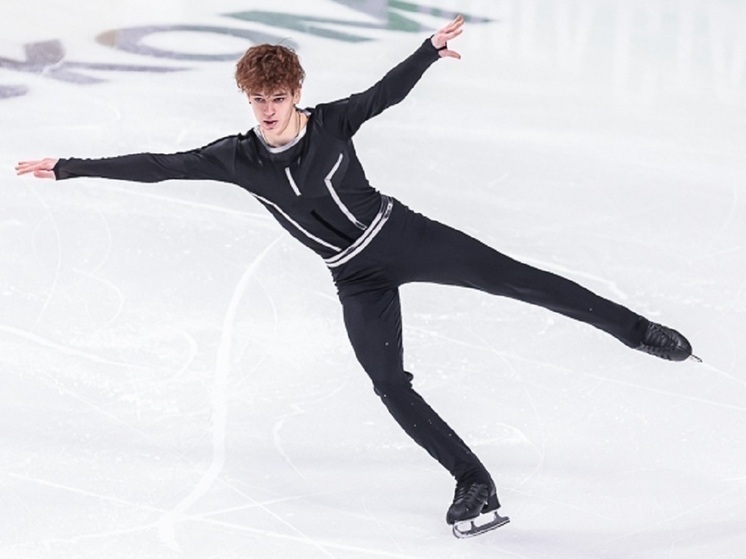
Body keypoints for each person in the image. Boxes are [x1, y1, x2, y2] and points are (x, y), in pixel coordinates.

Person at [16, 16, 695, 538]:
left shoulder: (334, 123)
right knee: (388, 383)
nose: (267, 109)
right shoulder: (235, 158)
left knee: (521, 280)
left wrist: (428, 51)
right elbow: (160, 166)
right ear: (246, 99)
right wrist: (70, 167)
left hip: (406, 237)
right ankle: (473, 481)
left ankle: (638, 331)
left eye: (277, 96)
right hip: (355, 278)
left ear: (296, 93)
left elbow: (383, 94)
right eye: (257, 99)